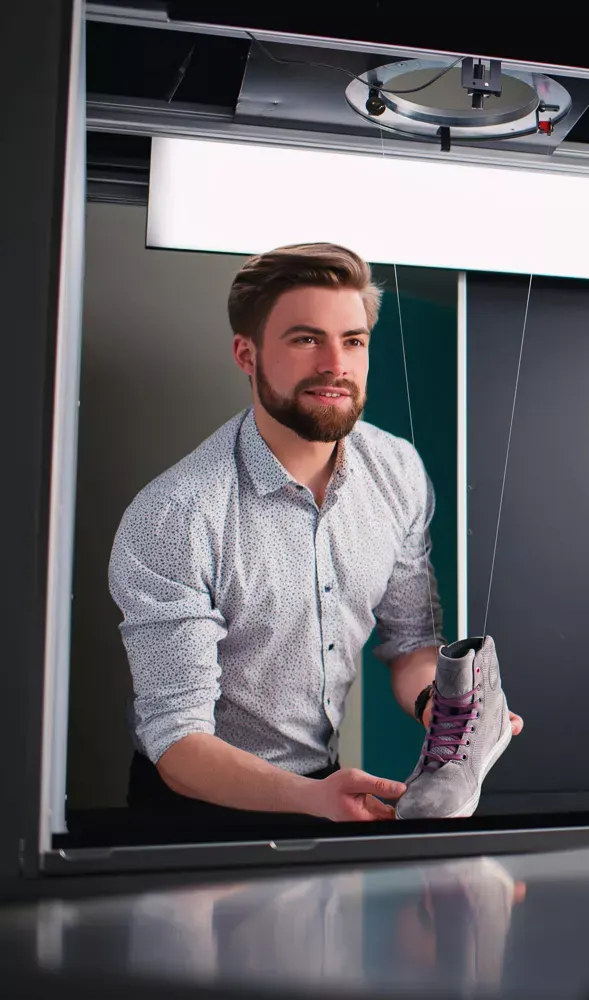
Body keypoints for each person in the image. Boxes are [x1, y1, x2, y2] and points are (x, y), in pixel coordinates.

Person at [109, 243, 522, 832]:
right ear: (246, 355)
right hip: (194, 807)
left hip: (322, 794)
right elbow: (178, 742)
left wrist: (446, 711)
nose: (336, 363)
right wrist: (312, 800)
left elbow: (411, 646)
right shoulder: (176, 516)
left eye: (353, 341)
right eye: (306, 339)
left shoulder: (397, 471)